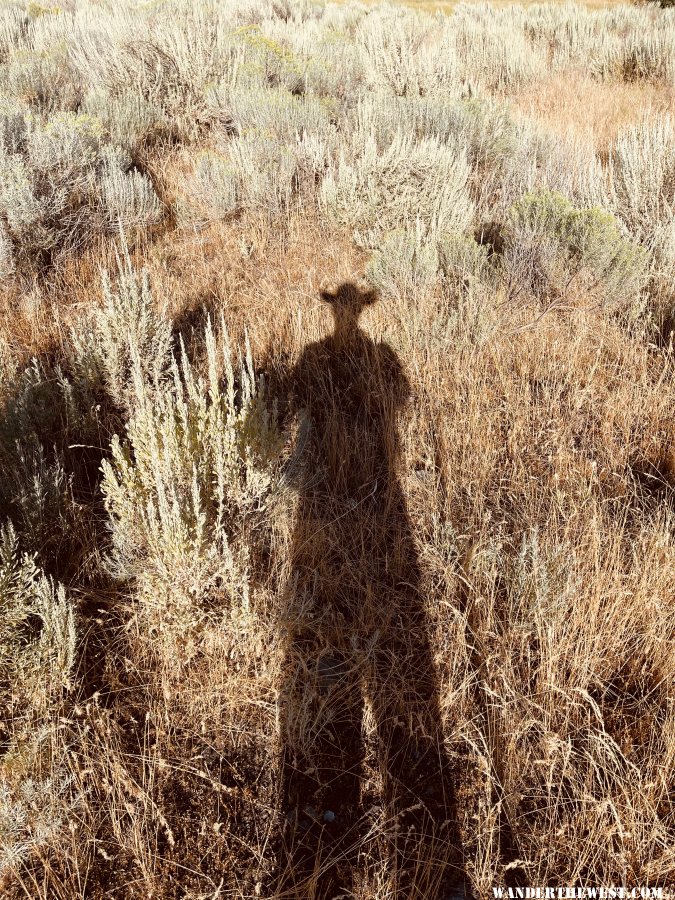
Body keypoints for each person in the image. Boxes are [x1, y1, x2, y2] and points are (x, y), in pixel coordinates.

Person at [274, 283, 463, 899]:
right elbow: (397, 402)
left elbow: (298, 410)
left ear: (338, 309)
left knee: (328, 670)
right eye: (344, 309)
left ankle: (330, 830)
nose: (345, 317)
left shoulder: (321, 355)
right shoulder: (375, 356)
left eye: (344, 309)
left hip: (340, 509)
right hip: (371, 507)